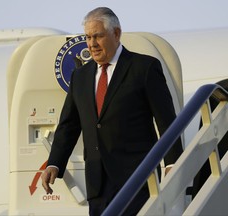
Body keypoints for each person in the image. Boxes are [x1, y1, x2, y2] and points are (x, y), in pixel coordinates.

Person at [41, 7, 183, 216]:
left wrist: (172, 163)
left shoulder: (143, 67)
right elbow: (68, 125)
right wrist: (54, 163)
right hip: (97, 184)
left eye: (98, 36)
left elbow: (166, 120)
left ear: (116, 33)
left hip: (137, 179)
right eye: (88, 37)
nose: (92, 44)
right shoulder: (80, 77)